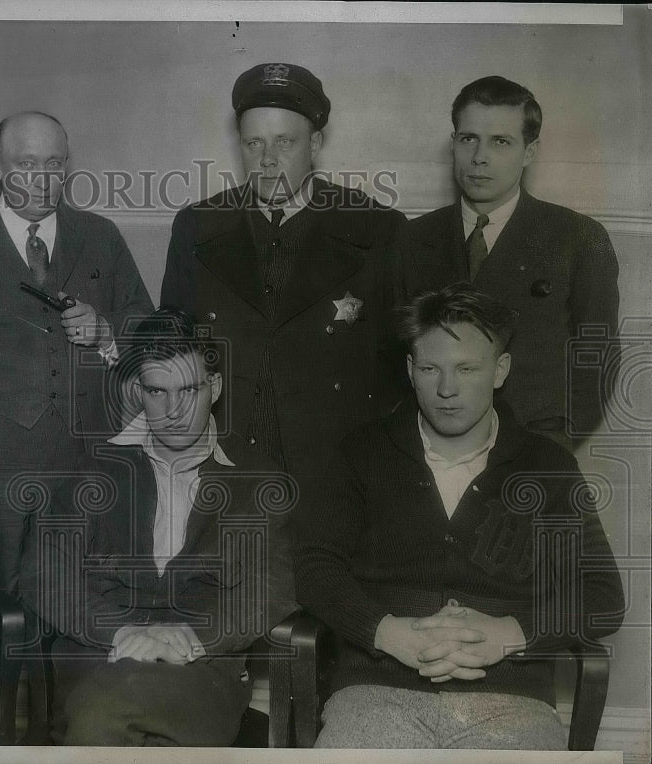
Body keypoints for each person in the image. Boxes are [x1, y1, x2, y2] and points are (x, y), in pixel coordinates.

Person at [294, 284, 624, 750]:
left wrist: (509, 635)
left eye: (466, 369)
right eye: (430, 368)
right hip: (377, 691)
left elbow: (603, 593)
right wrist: (386, 631)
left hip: (510, 701)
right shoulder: (363, 453)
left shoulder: (547, 466)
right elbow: (313, 567)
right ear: (410, 371)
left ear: (500, 370)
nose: (446, 389)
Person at [22, 308, 296, 746]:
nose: (173, 410)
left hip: (199, 667)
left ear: (216, 388)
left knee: (101, 717)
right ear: (138, 390)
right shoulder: (90, 468)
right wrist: (121, 631)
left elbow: (272, 588)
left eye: (188, 390)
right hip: (102, 656)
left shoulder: (256, 479)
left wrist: (192, 636)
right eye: (157, 391)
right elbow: (46, 576)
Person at [161, 62, 407, 503]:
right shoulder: (197, 226)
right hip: (222, 466)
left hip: (336, 473)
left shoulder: (376, 228)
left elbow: (400, 366)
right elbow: (171, 351)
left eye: (284, 142)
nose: (268, 159)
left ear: (315, 143)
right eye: (254, 143)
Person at [0, 111, 153, 591]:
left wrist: (106, 330)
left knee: (78, 592)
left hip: (87, 457)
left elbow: (148, 324)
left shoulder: (100, 235)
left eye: (55, 165)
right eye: (26, 164)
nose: (42, 181)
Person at [393, 76, 620, 447]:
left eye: (501, 141)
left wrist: (555, 452)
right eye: (469, 139)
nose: (480, 157)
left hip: (534, 452)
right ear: (453, 144)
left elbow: (597, 363)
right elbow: (391, 361)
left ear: (530, 151)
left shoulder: (579, 238)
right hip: (430, 456)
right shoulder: (412, 239)